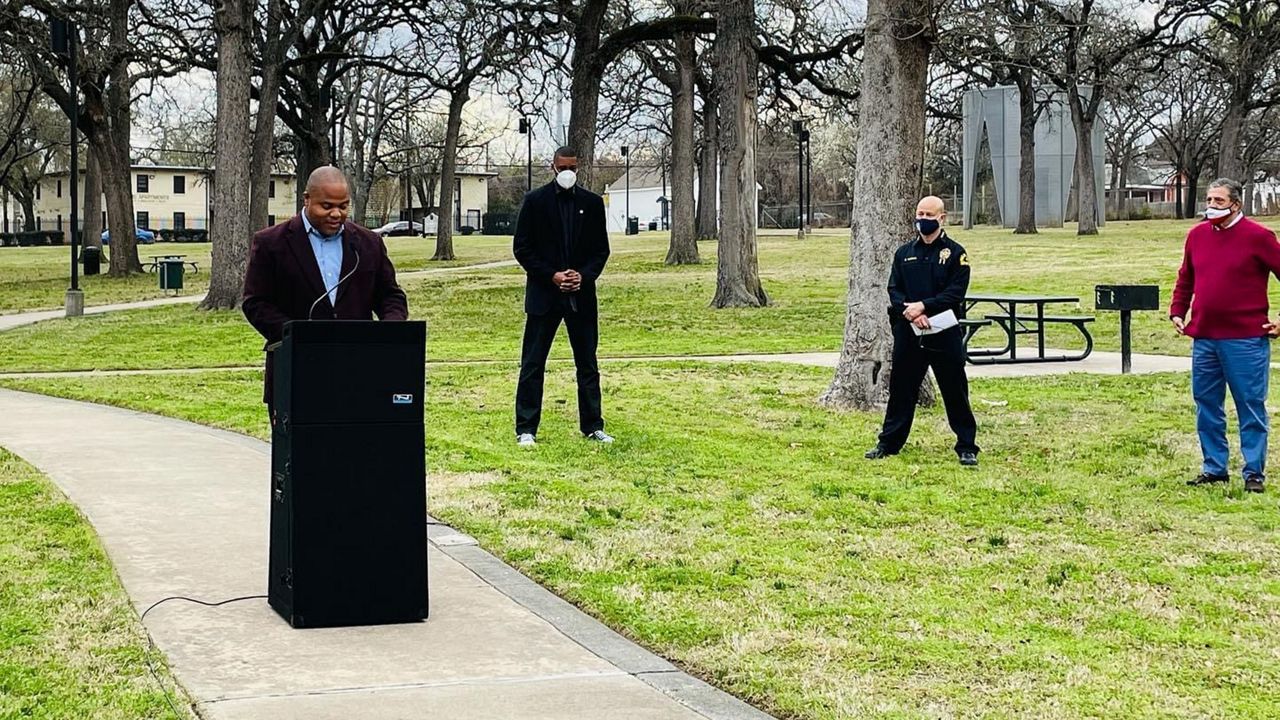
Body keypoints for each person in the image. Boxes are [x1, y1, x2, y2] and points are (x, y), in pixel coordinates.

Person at [242, 165, 408, 412]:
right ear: (307, 200)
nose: (336, 214)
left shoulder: (368, 243)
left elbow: (390, 295)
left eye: (343, 206)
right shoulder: (271, 243)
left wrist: (387, 334)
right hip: (295, 372)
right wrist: (296, 336)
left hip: (358, 371)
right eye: (327, 206)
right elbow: (255, 302)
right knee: (302, 451)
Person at [1171, 177, 1280, 494]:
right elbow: (1186, 277)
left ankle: (1254, 472)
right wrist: (1178, 310)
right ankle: (1214, 468)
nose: (1212, 207)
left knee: (1249, 404)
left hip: (1245, 339)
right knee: (1206, 404)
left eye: (1219, 201)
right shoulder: (1197, 236)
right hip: (1205, 337)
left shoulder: (1258, 237)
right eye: (1208, 200)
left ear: (1236, 204)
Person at [864, 196, 979, 466]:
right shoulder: (904, 253)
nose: (923, 219)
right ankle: (888, 443)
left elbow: (955, 293)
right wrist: (910, 312)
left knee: (955, 389)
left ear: (942, 218)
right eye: (920, 214)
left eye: (929, 215)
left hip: (943, 331)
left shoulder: (955, 254)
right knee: (901, 389)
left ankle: (967, 446)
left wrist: (925, 307)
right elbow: (894, 289)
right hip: (910, 331)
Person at [512, 146, 612, 446]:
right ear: (553, 166)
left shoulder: (592, 204)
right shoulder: (535, 201)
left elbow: (600, 251)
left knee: (587, 363)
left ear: (578, 167)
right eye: (562, 166)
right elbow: (522, 249)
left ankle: (593, 425)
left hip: (581, 297)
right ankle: (526, 428)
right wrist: (552, 275)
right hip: (545, 296)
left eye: (572, 166)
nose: (567, 171)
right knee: (533, 362)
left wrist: (583, 276)